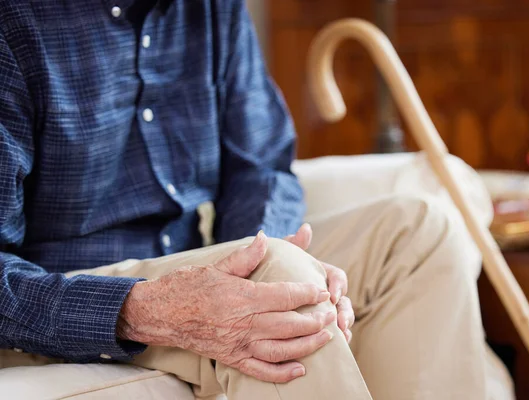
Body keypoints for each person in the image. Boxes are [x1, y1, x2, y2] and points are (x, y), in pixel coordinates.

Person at [0, 0, 494, 399]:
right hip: (66, 298)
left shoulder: (213, 9)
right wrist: (141, 309)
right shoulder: (14, 23)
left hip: (188, 261)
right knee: (277, 285)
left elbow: (260, 167)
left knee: (418, 229)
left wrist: (258, 247)